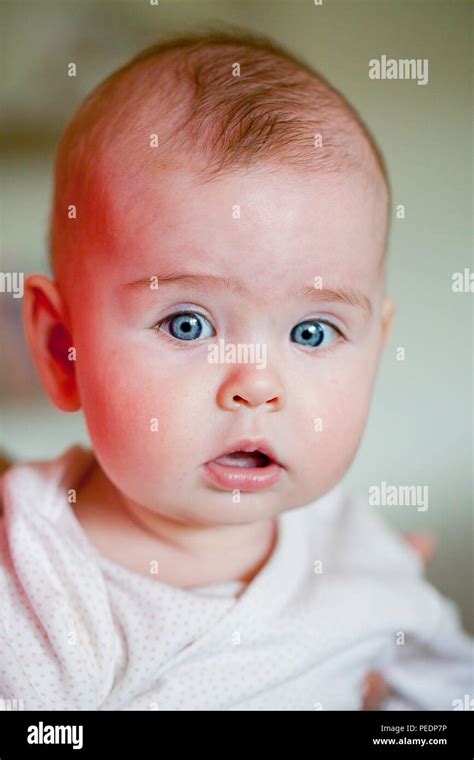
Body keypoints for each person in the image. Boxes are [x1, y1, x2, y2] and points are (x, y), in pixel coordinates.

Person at [1, 29, 472, 710]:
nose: (257, 384)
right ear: (61, 349)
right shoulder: (37, 574)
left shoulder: (356, 551)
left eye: (313, 332)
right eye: (187, 324)